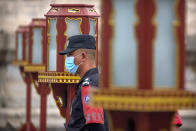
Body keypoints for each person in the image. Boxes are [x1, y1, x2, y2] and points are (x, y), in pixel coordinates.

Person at [59, 34, 108, 131]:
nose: (67, 59)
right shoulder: (98, 79)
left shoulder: (88, 85)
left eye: (70, 55)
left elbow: (97, 126)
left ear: (83, 56)